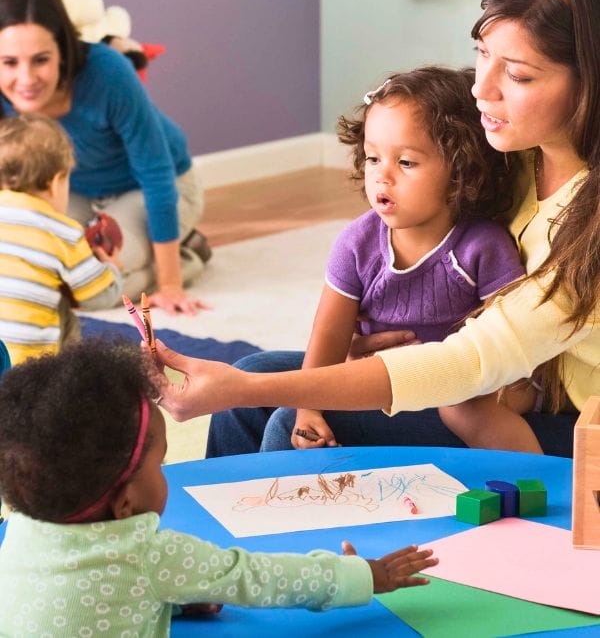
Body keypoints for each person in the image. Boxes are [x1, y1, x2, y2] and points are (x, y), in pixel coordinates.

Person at [152, 0, 599, 459]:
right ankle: (221, 538)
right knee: (249, 385)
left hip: (563, 423)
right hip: (483, 382)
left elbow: (470, 362)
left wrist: (275, 390)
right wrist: (339, 359)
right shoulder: (512, 148)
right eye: (481, 54)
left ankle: (309, 544)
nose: (483, 89)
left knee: (287, 424)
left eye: (518, 75)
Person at [0, 340, 438, 635]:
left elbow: (83, 595)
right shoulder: (151, 557)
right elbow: (260, 578)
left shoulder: (19, 530)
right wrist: (364, 575)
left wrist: (172, 600)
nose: (166, 470)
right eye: (160, 463)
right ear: (125, 503)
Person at [290, 66, 535, 453]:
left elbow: (518, 342)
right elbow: (330, 337)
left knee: (278, 427)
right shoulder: (357, 244)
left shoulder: (482, 246)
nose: (382, 177)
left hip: (457, 391)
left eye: (405, 163)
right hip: (380, 376)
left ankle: (534, 488)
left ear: (461, 170)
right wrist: (307, 409)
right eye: (372, 158)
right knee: (256, 378)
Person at [0, 0, 209, 315]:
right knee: (27, 274)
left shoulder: (108, 72)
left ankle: (186, 259)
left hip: (155, 188)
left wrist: (170, 285)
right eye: (9, 62)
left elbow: (156, 174)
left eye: (41, 60)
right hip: (72, 194)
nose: (25, 79)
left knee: (81, 288)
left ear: (63, 51)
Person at [0, 114, 123, 364]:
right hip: (28, 373)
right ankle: (70, 377)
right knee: (64, 313)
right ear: (57, 182)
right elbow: (100, 298)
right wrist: (113, 268)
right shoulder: (63, 231)